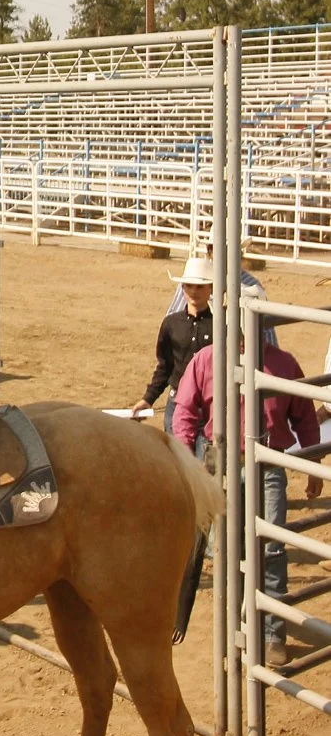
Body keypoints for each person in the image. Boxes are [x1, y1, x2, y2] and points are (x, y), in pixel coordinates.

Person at [174, 337, 321, 668]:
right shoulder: (206, 360)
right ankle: (236, 629)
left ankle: (271, 635)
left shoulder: (283, 364)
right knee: (227, 550)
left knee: (272, 548)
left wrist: (314, 462)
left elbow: (304, 416)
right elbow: (184, 409)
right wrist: (185, 459)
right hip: (219, 464)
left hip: (268, 463)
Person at [130, 255, 214, 439]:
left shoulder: (221, 326)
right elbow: (165, 367)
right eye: (189, 286)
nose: (194, 291)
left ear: (211, 288)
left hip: (209, 406)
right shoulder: (171, 324)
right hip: (178, 402)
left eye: (200, 286)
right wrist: (148, 399)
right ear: (182, 288)